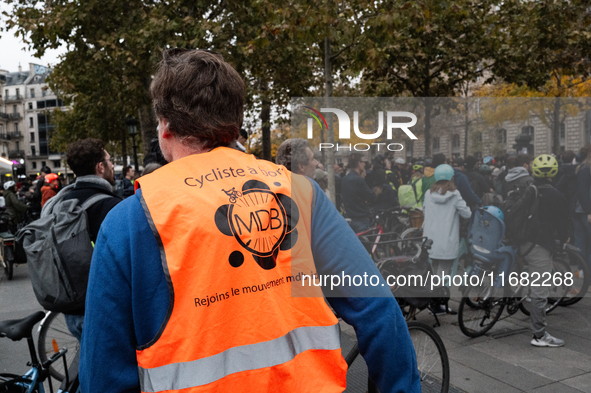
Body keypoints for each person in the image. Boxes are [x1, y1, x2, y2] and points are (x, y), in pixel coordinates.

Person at [80, 49, 419, 393]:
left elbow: (103, 375)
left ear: (165, 127)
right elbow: (378, 309)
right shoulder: (300, 193)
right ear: (236, 123)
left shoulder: (130, 220)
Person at [61, 138, 122, 341]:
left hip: (70, 306)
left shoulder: (61, 202)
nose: (113, 165)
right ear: (100, 167)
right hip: (101, 308)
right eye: (109, 160)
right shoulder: (110, 205)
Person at [523, 154, 568, 347]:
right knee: (540, 291)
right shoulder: (555, 195)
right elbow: (562, 224)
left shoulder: (528, 189)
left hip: (522, 242)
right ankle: (539, 335)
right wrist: (564, 238)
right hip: (539, 245)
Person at [422, 164, 471, 313]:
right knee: (443, 274)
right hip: (447, 241)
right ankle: (437, 304)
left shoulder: (428, 194)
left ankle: (433, 302)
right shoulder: (454, 194)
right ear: (451, 178)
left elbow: (424, 210)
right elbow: (467, 214)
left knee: (434, 272)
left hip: (430, 241)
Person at [342, 152, 381, 232]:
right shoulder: (358, 180)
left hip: (350, 217)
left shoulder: (345, 179)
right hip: (361, 218)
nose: (364, 164)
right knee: (365, 243)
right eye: (364, 162)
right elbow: (371, 197)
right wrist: (376, 192)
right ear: (359, 164)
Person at [574, 145, 591, 266]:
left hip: (580, 210)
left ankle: (582, 270)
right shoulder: (587, 169)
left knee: (581, 241)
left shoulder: (583, 168)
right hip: (586, 210)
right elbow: (584, 192)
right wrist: (589, 211)